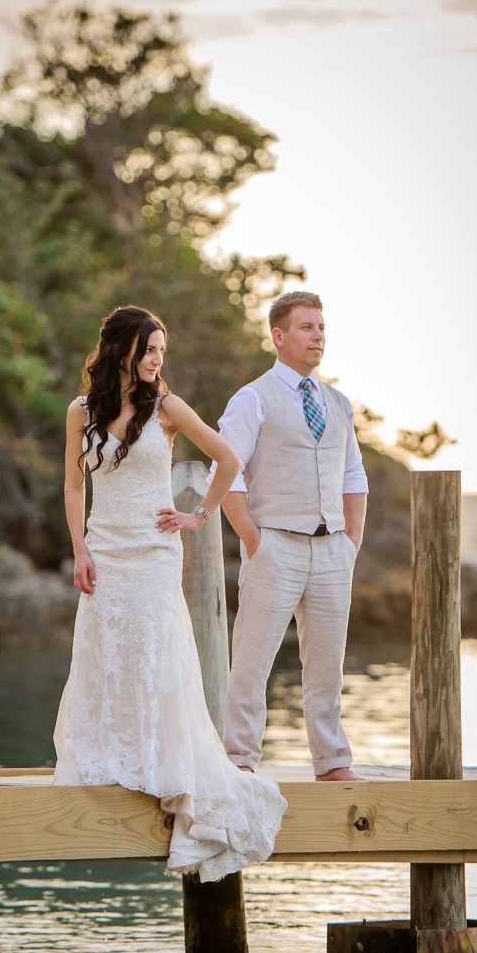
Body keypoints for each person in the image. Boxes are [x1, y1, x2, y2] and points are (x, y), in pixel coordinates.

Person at [52, 305, 287, 881]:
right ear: (121, 349)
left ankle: (162, 759)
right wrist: (80, 548)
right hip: (105, 550)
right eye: (150, 348)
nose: (158, 360)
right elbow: (73, 482)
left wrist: (199, 515)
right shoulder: (80, 411)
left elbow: (229, 458)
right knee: (106, 649)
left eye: (163, 350)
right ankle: (109, 759)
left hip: (155, 553)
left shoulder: (169, 407)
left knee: (156, 652)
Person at [213, 290, 369, 782]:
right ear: (278, 336)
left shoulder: (339, 403)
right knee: (252, 662)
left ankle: (332, 762)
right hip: (275, 544)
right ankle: (239, 758)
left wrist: (352, 541)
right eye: (306, 327)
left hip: (332, 548)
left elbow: (353, 475)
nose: (317, 336)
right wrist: (254, 540)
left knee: (326, 666)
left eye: (321, 327)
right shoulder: (253, 398)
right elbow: (229, 471)